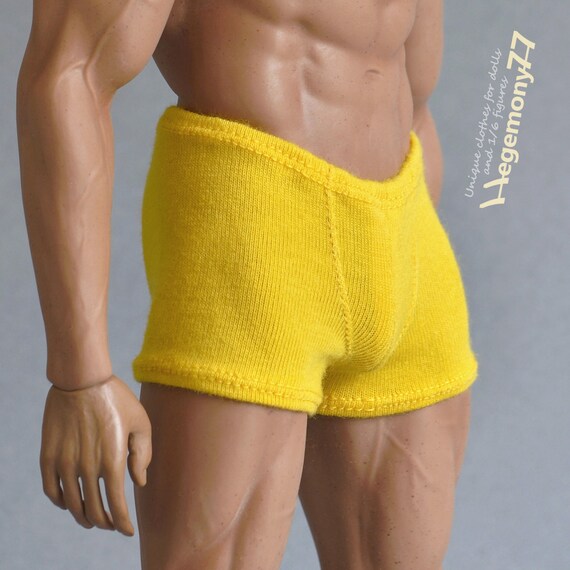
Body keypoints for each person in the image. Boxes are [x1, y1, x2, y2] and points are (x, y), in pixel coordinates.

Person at [16, 0, 479, 568]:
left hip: (407, 244)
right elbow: (68, 73)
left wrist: (406, 263)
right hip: (254, 241)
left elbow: (414, 94)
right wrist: (79, 375)